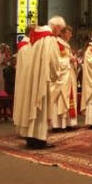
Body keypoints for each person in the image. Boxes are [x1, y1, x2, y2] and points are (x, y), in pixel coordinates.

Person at [22, 16, 66, 149]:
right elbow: (53, 61)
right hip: (43, 78)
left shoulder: (37, 36)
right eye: (61, 29)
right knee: (42, 108)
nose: (60, 32)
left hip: (33, 76)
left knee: (33, 106)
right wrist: (56, 75)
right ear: (56, 27)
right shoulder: (50, 39)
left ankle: (30, 137)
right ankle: (40, 139)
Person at [51, 26, 78, 132]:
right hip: (61, 77)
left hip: (68, 75)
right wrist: (69, 59)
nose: (71, 35)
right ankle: (57, 125)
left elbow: (66, 58)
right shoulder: (57, 44)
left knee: (68, 98)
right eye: (69, 33)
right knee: (60, 99)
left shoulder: (66, 45)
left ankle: (67, 123)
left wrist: (73, 60)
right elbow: (55, 60)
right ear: (62, 33)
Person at [13, 25, 33, 136]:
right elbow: (28, 66)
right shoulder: (26, 46)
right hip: (26, 80)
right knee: (25, 103)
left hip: (24, 79)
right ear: (30, 33)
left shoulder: (27, 45)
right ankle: (25, 130)